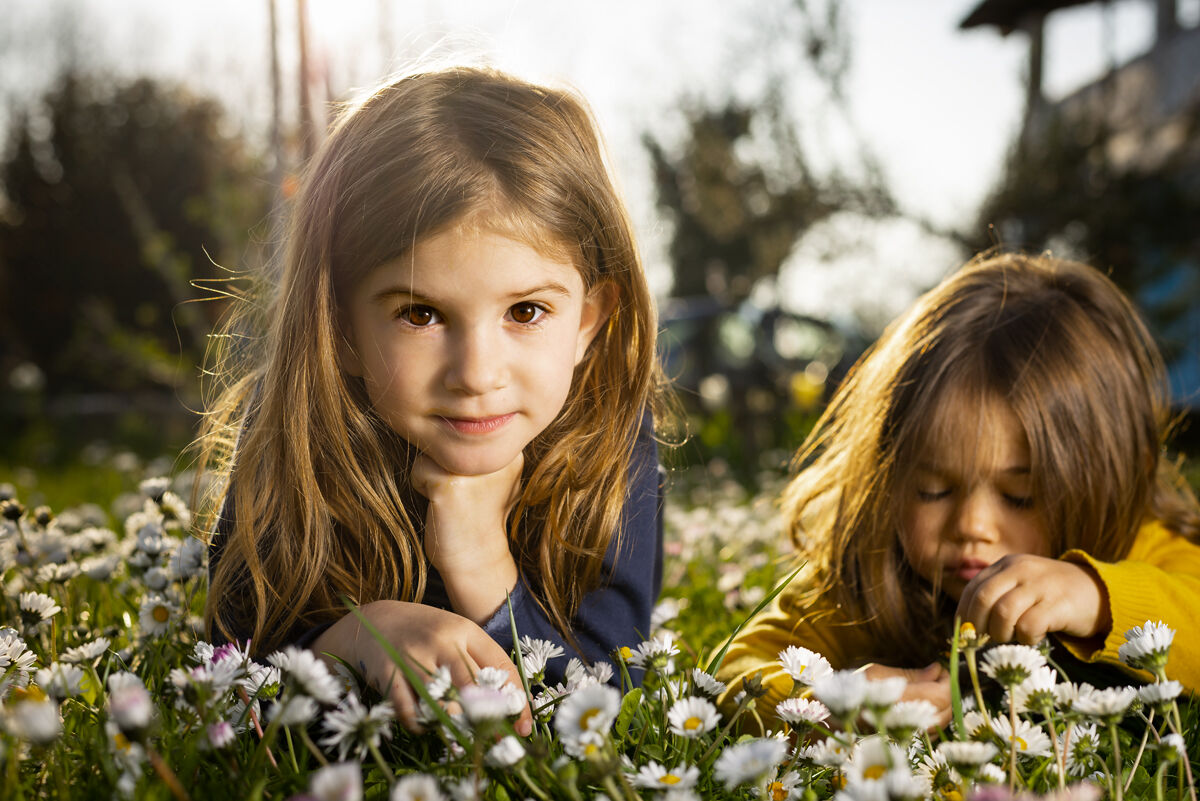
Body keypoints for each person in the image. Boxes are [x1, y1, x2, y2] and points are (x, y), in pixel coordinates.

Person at [195, 66, 668, 732]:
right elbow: (225, 664)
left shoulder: (611, 432)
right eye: (420, 314)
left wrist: (480, 562)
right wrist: (350, 641)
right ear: (342, 331)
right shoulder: (297, 424)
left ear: (588, 321)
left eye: (526, 310)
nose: (476, 373)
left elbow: (606, 702)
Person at [715, 252, 1200, 732]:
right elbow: (739, 672)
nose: (971, 526)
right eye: (932, 490)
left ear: (1105, 481)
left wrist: (1096, 596)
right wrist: (830, 703)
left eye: (1020, 497)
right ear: (886, 476)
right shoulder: (868, 580)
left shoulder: (1142, 546)